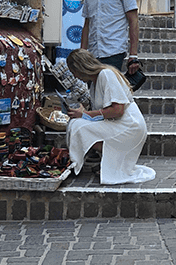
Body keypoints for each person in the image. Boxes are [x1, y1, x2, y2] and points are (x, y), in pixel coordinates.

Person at [64, 49, 156, 184]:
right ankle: (101, 161)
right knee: (75, 124)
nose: (75, 77)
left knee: (78, 127)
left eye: (74, 72)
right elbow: (103, 111)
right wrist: (84, 112)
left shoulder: (106, 74)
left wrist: (86, 114)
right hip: (119, 123)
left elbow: (118, 110)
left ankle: (79, 164)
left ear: (80, 68)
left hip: (129, 126)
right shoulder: (96, 81)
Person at [81, 0, 144, 88]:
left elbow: (133, 21)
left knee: (109, 94)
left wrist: (133, 55)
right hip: (93, 54)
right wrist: (82, 54)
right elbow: (87, 25)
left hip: (113, 51)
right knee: (95, 95)